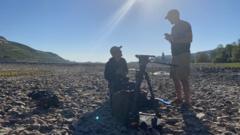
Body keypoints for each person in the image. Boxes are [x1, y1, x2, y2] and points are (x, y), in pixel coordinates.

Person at [164, 9, 193, 106]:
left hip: (183, 54)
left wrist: (173, 39)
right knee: (175, 77)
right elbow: (174, 42)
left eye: (169, 18)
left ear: (174, 16)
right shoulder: (173, 28)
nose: (168, 20)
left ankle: (187, 101)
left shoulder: (185, 24)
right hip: (175, 55)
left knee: (183, 78)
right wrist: (170, 39)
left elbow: (189, 39)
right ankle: (179, 98)